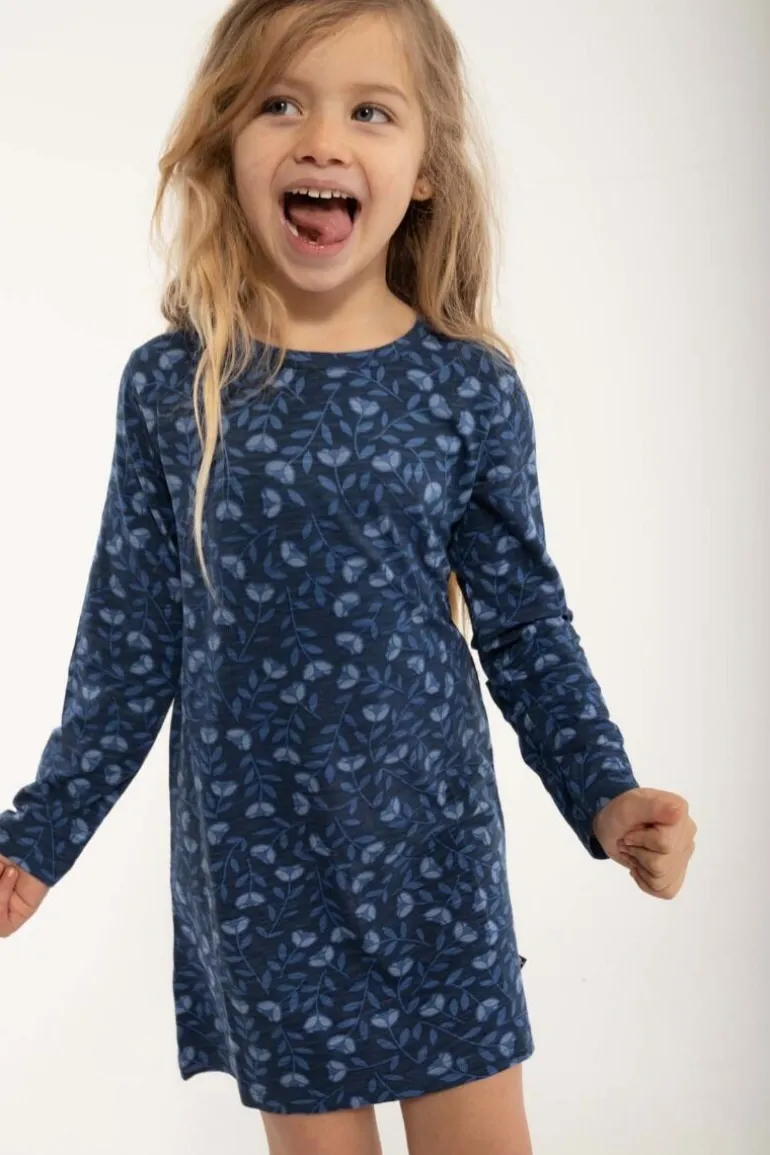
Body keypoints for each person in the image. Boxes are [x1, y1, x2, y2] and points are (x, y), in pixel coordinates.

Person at [0, 1, 697, 1152]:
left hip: (433, 859)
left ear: (423, 171)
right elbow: (129, 646)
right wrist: (39, 838)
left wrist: (603, 794)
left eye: (370, 111)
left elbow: (523, 626)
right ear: (227, 142)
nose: (322, 138)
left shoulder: (465, 389)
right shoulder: (173, 387)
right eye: (280, 103)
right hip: (259, 868)